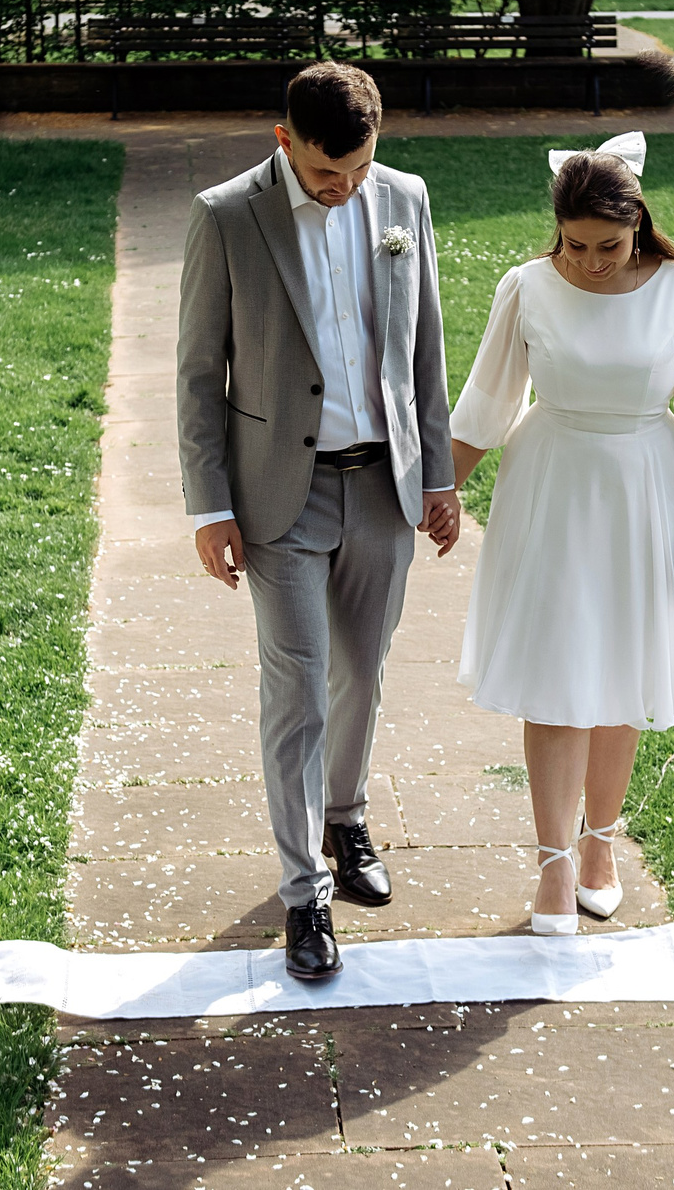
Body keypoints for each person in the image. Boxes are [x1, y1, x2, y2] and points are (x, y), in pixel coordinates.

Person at [177, 62, 461, 981]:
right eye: (325, 175)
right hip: (276, 494)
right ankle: (306, 895)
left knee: (363, 672)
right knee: (296, 687)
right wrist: (211, 504)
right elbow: (196, 374)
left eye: (358, 173)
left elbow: (425, 342)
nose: (344, 192)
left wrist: (439, 473)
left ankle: (347, 817)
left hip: (383, 481)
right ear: (283, 140)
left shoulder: (403, 198)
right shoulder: (225, 216)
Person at [447, 134, 674, 934]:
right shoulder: (526, 288)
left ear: (639, 223)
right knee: (555, 668)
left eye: (608, 245)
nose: (590, 261)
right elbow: (486, 403)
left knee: (624, 670)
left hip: (646, 487)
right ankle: (551, 866)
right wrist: (441, 488)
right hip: (550, 485)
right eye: (575, 245)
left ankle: (599, 844)